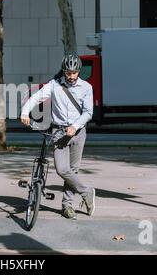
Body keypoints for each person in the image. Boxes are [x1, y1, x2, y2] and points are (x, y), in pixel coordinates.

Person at [20, 52, 95, 219]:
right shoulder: (54, 85)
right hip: (59, 132)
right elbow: (36, 98)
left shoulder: (86, 88)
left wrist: (75, 126)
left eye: (74, 73)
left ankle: (67, 206)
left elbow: (88, 112)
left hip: (78, 132)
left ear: (79, 71)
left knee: (73, 170)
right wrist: (25, 112)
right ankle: (86, 192)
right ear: (63, 71)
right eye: (68, 73)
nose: (71, 76)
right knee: (62, 169)